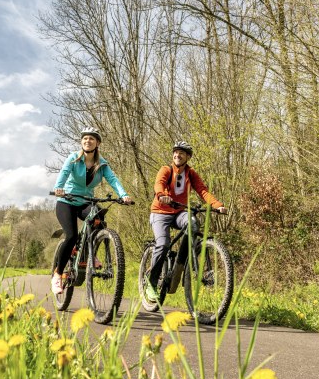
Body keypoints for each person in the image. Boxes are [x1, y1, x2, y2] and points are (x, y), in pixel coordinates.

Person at [51, 127, 132, 294]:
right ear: (82, 142)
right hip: (67, 201)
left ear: (98, 143)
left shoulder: (101, 164)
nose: (88, 141)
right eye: (85, 139)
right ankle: (58, 274)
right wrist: (59, 187)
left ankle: (89, 252)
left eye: (92, 139)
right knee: (72, 235)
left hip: (85, 201)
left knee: (99, 219)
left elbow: (113, 179)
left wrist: (123, 195)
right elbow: (64, 173)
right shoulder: (73, 158)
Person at [146, 141, 227, 301]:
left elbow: (202, 190)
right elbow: (159, 184)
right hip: (160, 212)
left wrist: (217, 205)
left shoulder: (191, 173)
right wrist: (162, 195)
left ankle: (182, 263)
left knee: (194, 222)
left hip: (178, 212)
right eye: (175, 152)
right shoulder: (166, 170)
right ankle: (152, 283)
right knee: (162, 244)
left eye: (181, 153)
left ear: (188, 157)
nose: (177, 155)